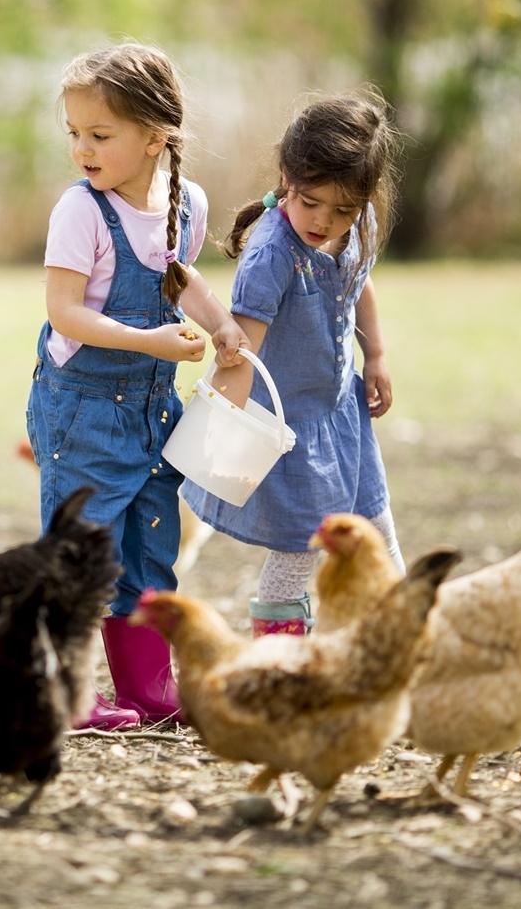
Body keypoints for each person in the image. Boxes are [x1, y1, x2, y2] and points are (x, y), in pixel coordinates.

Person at [26, 43, 249, 729]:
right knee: (80, 556)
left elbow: (178, 279)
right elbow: (64, 312)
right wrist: (149, 341)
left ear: (156, 138)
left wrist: (218, 326)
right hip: (81, 409)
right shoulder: (81, 212)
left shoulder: (188, 205)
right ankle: (66, 692)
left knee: (150, 547)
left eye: (99, 135)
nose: (81, 150)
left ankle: (146, 689)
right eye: (73, 134)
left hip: (153, 410)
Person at [181, 88, 408, 637]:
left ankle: (405, 642)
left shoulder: (355, 228)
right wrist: (213, 437)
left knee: (379, 537)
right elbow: (242, 353)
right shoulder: (272, 255)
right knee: (298, 553)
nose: (326, 221)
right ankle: (278, 661)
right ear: (288, 174)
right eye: (311, 203)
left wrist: (374, 354)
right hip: (290, 434)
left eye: (344, 209)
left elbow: (359, 285)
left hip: (342, 419)